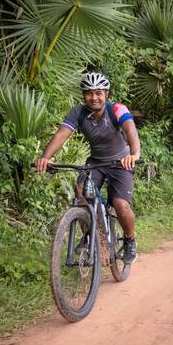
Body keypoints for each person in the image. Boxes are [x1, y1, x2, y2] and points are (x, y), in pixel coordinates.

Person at [35, 72, 141, 264]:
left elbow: (129, 129)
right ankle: (90, 237)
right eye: (89, 93)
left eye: (98, 93)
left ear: (106, 94)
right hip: (96, 162)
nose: (94, 97)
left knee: (121, 204)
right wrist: (45, 157)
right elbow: (61, 135)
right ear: (84, 95)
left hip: (120, 163)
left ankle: (129, 241)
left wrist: (134, 154)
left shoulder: (116, 109)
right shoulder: (78, 113)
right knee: (82, 195)